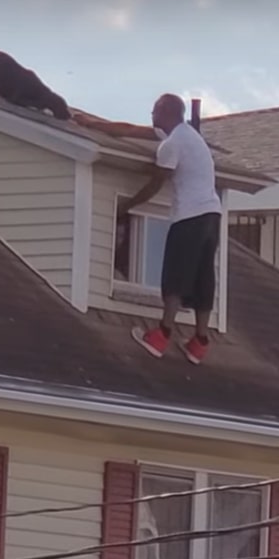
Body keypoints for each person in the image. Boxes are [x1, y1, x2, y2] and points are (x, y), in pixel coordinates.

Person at [75, 95, 221, 364]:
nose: (151, 116)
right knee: (202, 277)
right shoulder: (188, 135)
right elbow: (129, 130)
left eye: (154, 111)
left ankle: (161, 335)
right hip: (212, 216)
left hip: (189, 216)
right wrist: (91, 123)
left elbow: (155, 184)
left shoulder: (172, 144)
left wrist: (126, 207)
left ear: (164, 112)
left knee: (175, 275)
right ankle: (199, 342)